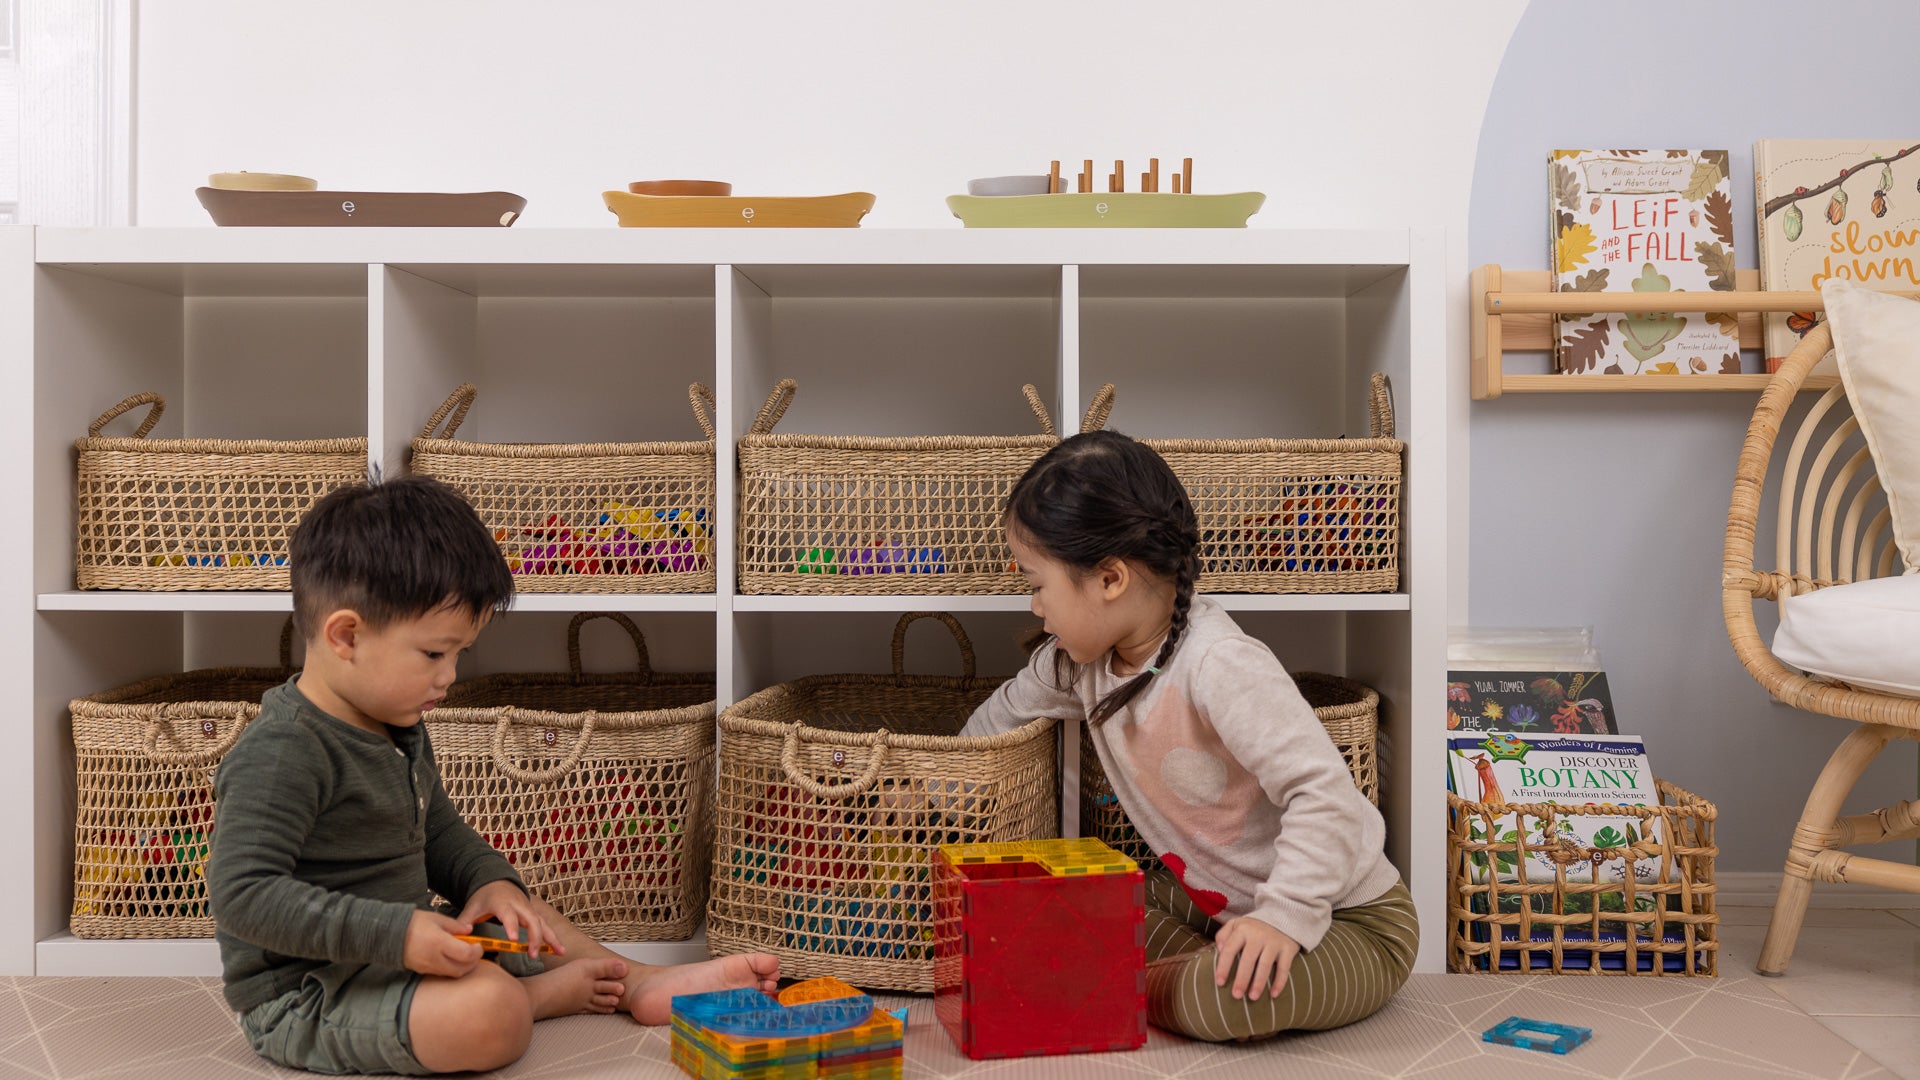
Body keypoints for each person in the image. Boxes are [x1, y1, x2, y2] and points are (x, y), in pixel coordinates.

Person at [208, 475, 778, 1075]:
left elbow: (441, 835)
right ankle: (532, 999)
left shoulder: (395, 724)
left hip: (401, 960)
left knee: (528, 914)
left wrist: (491, 884)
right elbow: (243, 896)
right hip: (310, 994)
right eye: (433, 654)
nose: (448, 676)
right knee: (489, 1014)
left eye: (459, 655)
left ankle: (637, 980)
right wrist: (399, 936)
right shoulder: (282, 751)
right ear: (346, 635)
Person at [958, 431, 1416, 1042]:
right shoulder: (1084, 662)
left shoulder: (1218, 663)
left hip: (1345, 917)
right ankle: (1167, 966)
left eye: (1038, 584)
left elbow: (1324, 793)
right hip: (1220, 906)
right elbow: (1002, 715)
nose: (1035, 606)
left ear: (1110, 579)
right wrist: (932, 788)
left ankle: (1143, 979)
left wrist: (1282, 919)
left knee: (1216, 1002)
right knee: (1075, 904)